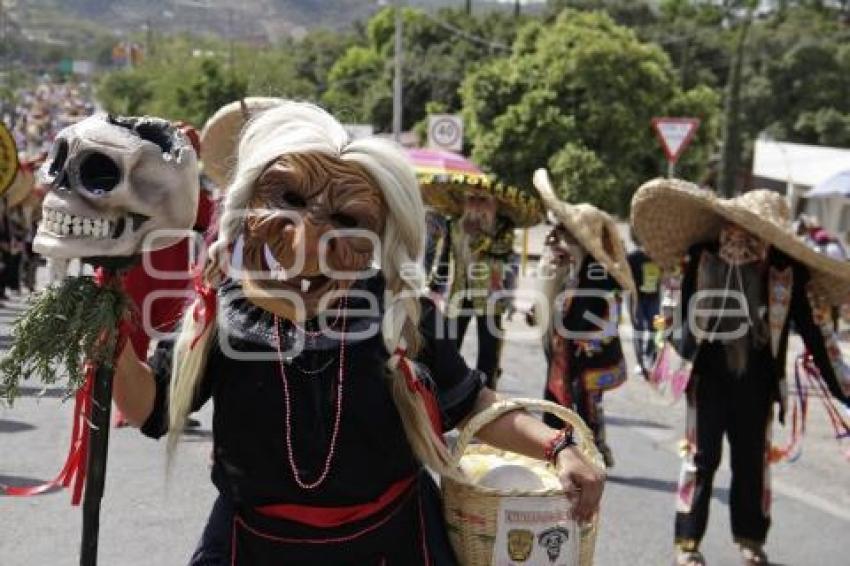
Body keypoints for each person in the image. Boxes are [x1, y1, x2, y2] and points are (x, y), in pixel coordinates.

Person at [111, 101, 604, 564]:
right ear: (248, 204)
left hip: (392, 543)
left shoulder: (397, 308)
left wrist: (559, 447)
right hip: (254, 546)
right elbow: (149, 408)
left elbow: (471, 401)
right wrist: (107, 339)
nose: (309, 238)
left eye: (345, 219)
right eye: (289, 199)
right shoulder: (221, 307)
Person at [631, 179, 850, 566]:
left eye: (752, 231)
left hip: (759, 385)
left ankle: (750, 540)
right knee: (702, 457)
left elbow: (816, 333)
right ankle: (688, 543)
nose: (739, 238)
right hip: (707, 380)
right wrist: (660, 361)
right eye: (735, 227)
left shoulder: (785, 270)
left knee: (751, 461)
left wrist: (843, 388)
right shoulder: (698, 258)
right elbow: (674, 319)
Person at [528, 169, 635, 469]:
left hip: (586, 359)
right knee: (558, 406)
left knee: (585, 411)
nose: (558, 241)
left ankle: (592, 457)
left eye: (565, 235)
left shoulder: (599, 276)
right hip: (566, 358)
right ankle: (560, 453)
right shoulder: (570, 268)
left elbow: (593, 318)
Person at [627, 229, 662, 378]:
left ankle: (651, 357)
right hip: (637, 300)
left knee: (656, 329)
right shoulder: (633, 257)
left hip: (654, 298)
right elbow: (625, 276)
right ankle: (640, 362)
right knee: (639, 331)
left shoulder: (660, 257)